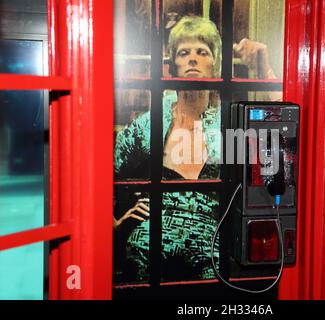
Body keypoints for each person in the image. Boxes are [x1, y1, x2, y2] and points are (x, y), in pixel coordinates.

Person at [113, 16, 279, 283]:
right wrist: (114, 224)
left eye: (202, 51)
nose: (192, 58)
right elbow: (102, 171)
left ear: (215, 65)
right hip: (147, 244)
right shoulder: (150, 124)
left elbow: (277, 151)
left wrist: (265, 73)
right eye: (183, 52)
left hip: (208, 250)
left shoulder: (226, 125)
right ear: (172, 65)